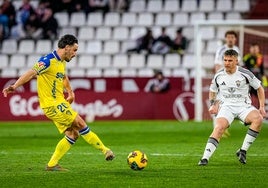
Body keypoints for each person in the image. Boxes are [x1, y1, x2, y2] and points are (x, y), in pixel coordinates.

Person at [2, 34, 115, 171]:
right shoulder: (48, 60)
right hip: (52, 104)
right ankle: (105, 150)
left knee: (73, 134)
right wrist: (15, 86)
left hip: (59, 102)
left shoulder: (61, 62)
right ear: (66, 47)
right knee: (80, 123)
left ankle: (52, 165)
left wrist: (70, 92)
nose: (75, 54)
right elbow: (31, 72)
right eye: (74, 50)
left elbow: (63, 76)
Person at [198, 49, 266, 166]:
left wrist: (262, 107)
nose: (227, 63)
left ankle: (243, 151)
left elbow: (259, 88)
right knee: (219, 128)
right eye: (225, 60)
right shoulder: (218, 75)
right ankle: (205, 158)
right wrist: (213, 104)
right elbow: (212, 91)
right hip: (226, 107)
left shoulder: (245, 73)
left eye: (230, 60)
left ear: (236, 61)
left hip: (244, 106)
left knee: (258, 119)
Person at [213, 30, 241, 137]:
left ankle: (224, 127)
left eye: (232, 37)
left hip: (233, 81)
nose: (230, 39)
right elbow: (217, 65)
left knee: (229, 103)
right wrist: (219, 79)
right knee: (218, 103)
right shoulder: (221, 50)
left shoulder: (237, 50)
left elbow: (239, 66)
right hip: (223, 80)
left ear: (235, 39)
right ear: (226, 38)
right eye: (228, 37)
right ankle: (218, 128)